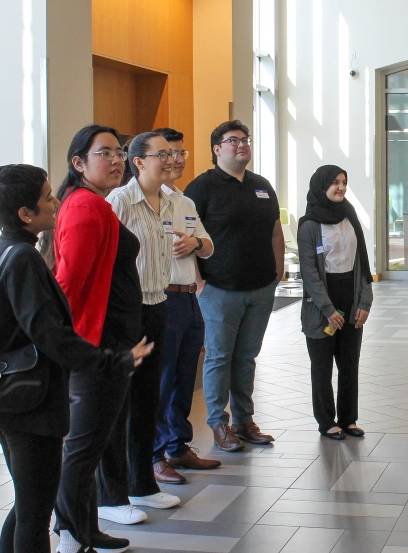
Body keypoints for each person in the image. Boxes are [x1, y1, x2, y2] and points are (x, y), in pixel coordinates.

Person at [0, 164, 152, 553]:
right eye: (47, 198)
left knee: (27, 505)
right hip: (28, 405)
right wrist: (111, 359)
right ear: (25, 214)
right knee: (34, 511)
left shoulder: (4, 250)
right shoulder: (24, 259)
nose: (57, 201)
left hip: (10, 401)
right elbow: (50, 335)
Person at [52, 124, 147, 553]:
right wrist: (78, 350)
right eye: (104, 152)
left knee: (94, 442)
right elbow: (68, 285)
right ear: (79, 163)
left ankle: (86, 528)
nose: (116, 160)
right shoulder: (86, 208)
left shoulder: (91, 203)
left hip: (106, 342)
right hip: (96, 346)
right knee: (84, 446)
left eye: (120, 151)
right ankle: (71, 540)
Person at [184, 120, 282, 450]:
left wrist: (277, 273)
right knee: (219, 357)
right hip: (219, 289)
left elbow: (275, 231)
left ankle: (244, 420)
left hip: (260, 287)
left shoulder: (262, 185)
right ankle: (218, 423)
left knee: (246, 357)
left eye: (245, 140)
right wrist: (199, 283)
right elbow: (187, 238)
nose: (242, 145)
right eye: (233, 140)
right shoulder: (202, 188)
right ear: (216, 149)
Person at [103, 132, 187, 502]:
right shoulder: (119, 201)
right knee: (121, 404)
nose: (171, 160)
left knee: (148, 400)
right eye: (162, 155)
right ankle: (114, 494)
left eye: (173, 153)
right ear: (138, 162)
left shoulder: (169, 202)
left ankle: (142, 485)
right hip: (126, 311)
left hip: (158, 304)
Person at [150, 127, 220, 474]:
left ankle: (178, 447)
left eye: (181, 153)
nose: (176, 160)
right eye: (168, 154)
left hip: (190, 298)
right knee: (162, 381)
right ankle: (155, 454)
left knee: (183, 379)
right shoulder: (139, 200)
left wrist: (194, 244)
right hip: (160, 298)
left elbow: (207, 245)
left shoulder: (185, 201)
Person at [298, 165, 373, 439]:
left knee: (349, 364)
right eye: (335, 183)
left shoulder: (349, 215)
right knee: (322, 367)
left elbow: (363, 262)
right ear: (321, 186)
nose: (340, 187)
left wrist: (365, 301)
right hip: (321, 307)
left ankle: (349, 420)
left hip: (350, 299)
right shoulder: (308, 225)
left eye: (344, 182)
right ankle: (327, 422)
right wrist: (328, 310)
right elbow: (309, 273)